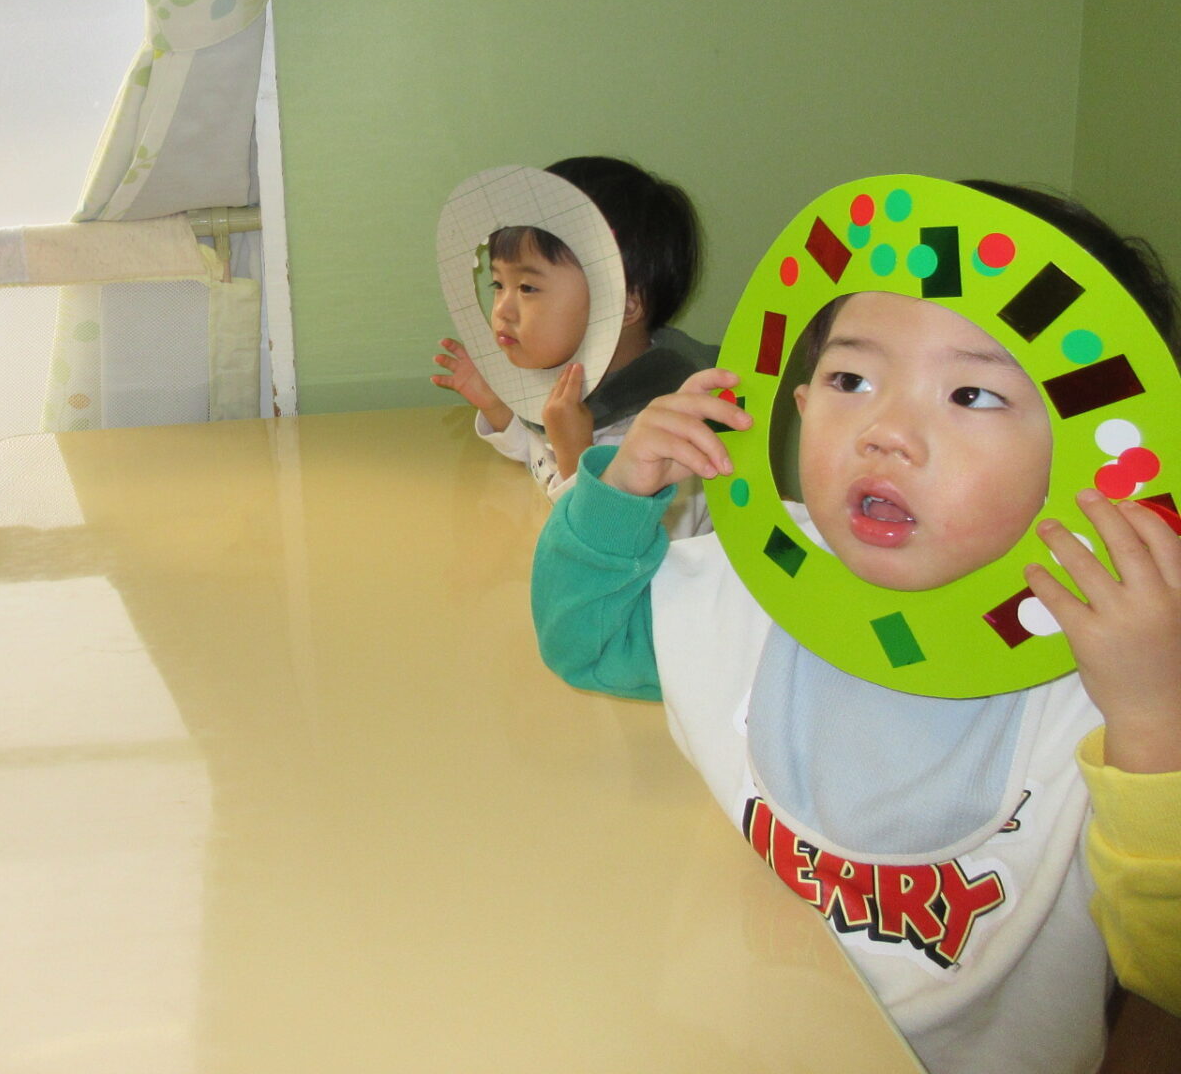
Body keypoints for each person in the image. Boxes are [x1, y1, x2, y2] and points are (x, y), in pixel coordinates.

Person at [529, 183, 1181, 1073]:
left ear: (1088, 454)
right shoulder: (767, 587)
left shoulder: (1118, 673)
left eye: (972, 394)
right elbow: (588, 643)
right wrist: (617, 490)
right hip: (744, 1035)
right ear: (798, 406)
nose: (886, 432)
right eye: (851, 380)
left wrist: (1152, 719)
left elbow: (1165, 970)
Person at [432, 156, 715, 531]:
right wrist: (499, 408)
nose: (501, 310)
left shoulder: (668, 426)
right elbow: (538, 459)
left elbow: (625, 547)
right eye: (498, 284)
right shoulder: (572, 380)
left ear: (623, 305)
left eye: (527, 288)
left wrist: (576, 456)